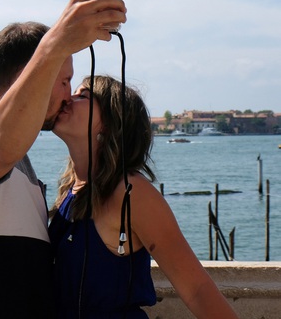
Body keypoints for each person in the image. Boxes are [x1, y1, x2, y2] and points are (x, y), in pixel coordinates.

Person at [0, 0, 126, 319]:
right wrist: (54, 45)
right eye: (64, 80)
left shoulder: (22, 159)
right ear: (29, 77)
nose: (69, 94)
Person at [49, 75, 238, 318]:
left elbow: (197, 289)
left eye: (83, 96)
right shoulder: (72, 190)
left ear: (109, 122)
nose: (68, 99)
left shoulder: (130, 192)